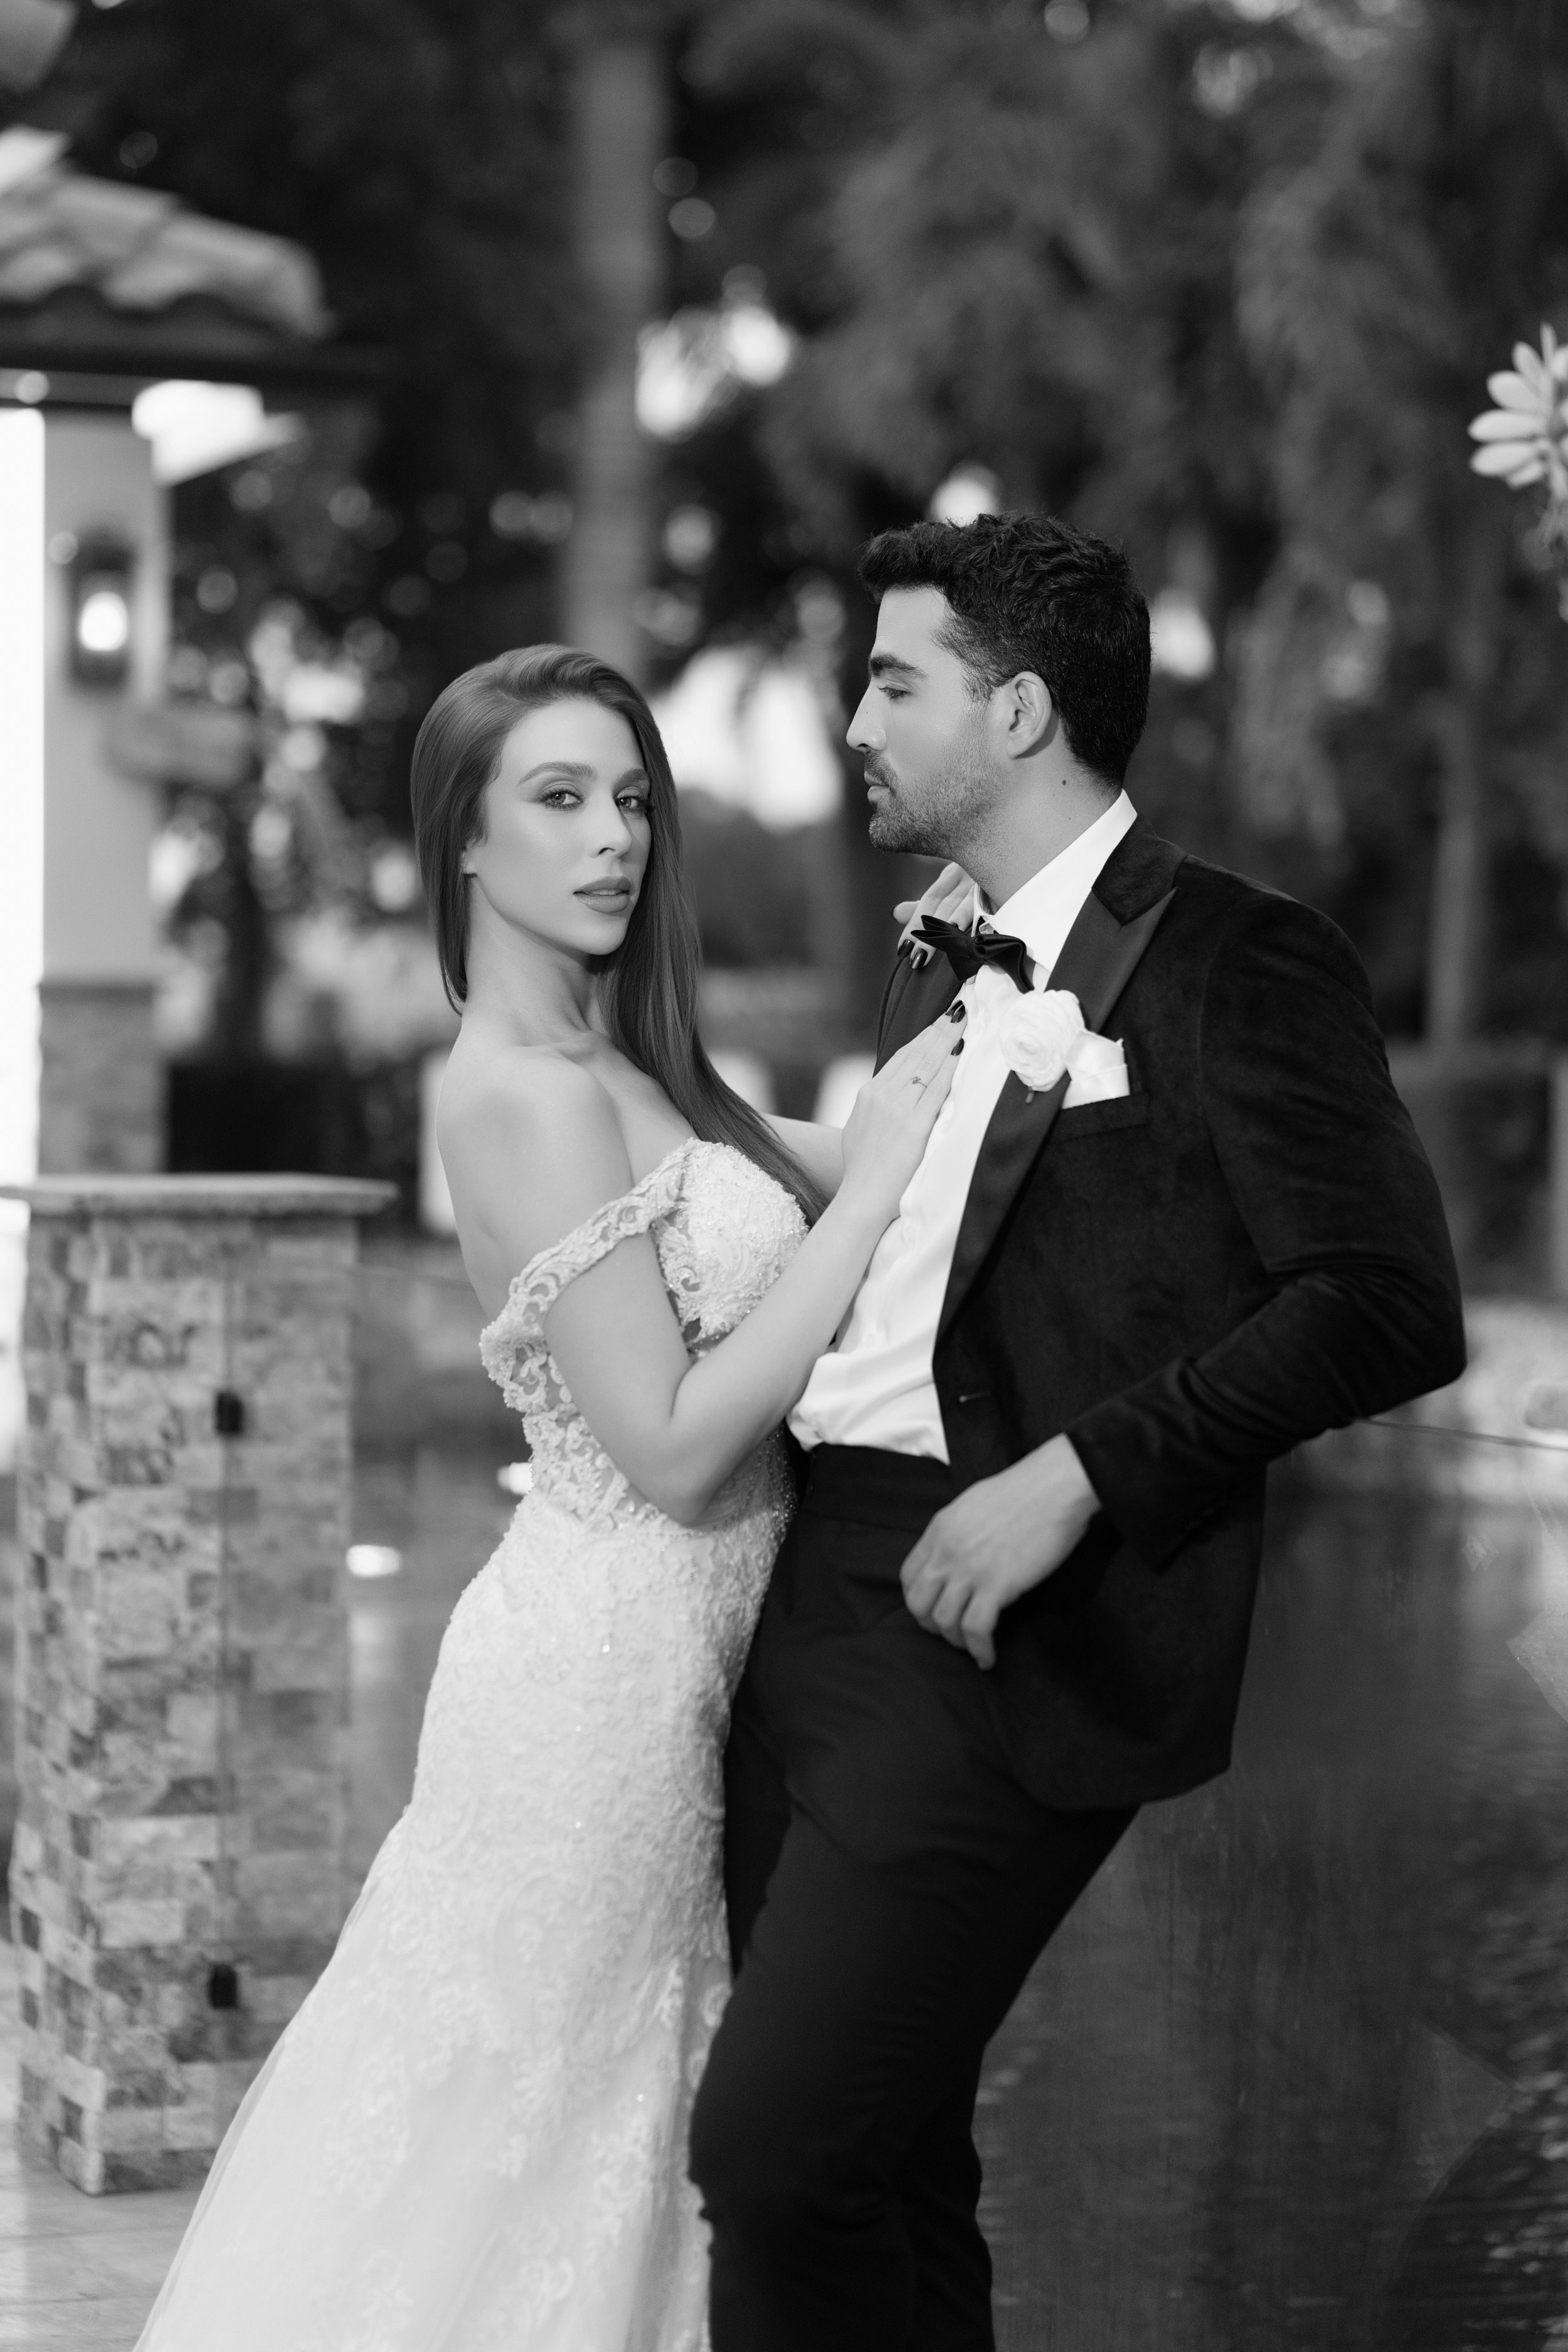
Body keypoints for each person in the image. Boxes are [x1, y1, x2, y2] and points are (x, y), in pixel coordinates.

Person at [687, 509, 1468, 2352]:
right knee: (884, 2165)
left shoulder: (1236, 960)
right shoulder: (931, 959)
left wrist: (1080, 1475)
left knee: (774, 2151)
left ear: (1019, 710)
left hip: (1005, 1623)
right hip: (805, 1604)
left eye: (892, 681)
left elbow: (1383, 1300)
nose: (850, 718)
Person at [134, 644, 962, 2352]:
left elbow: (798, 1190)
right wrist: (871, 1181)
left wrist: (954, 1000)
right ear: (464, 843)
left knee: (633, 2130)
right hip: (590, 1688)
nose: (616, 840)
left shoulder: (627, 1061)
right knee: (520, 2134)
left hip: (688, 1684)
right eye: (560, 799)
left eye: (634, 798)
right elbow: (666, 1449)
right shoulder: (513, 1095)